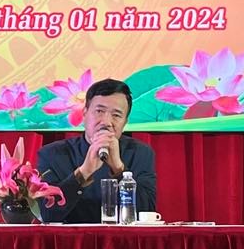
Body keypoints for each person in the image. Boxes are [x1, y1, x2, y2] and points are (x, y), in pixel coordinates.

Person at [37, 78, 157, 223]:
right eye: (99, 111)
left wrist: (119, 170)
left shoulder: (140, 153)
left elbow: (147, 212)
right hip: (71, 236)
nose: (106, 122)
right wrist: (83, 172)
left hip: (123, 236)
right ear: (84, 114)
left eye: (116, 115)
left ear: (125, 122)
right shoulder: (52, 154)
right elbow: (47, 215)